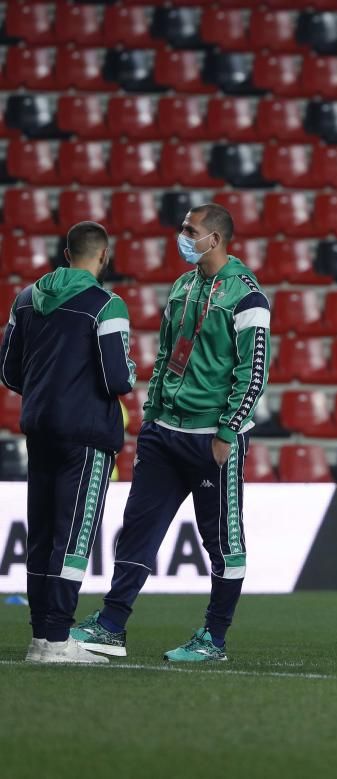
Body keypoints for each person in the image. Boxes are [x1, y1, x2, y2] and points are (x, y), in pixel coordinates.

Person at [71, 204, 271, 662]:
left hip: (211, 437)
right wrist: (152, 413)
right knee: (137, 530)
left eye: (189, 229)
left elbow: (254, 373)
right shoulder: (183, 285)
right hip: (163, 432)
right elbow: (166, 354)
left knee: (223, 543)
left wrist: (227, 433)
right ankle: (110, 625)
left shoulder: (247, 297)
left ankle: (214, 639)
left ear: (214, 239)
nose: (181, 236)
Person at [1, 221, 134, 664]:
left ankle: (41, 637)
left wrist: (48, 389)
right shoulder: (107, 305)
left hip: (39, 429)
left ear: (65, 255)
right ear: (104, 256)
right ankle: (58, 639)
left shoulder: (25, 299)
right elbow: (118, 379)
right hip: (86, 435)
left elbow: (9, 372)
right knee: (72, 537)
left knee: (41, 535)